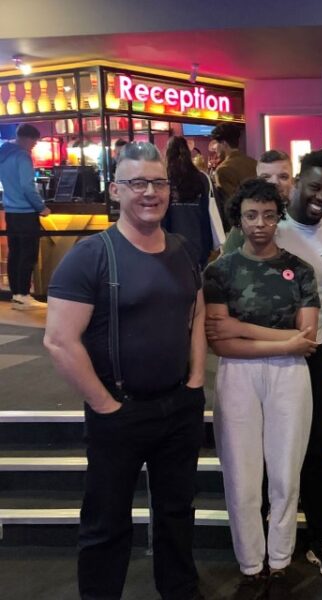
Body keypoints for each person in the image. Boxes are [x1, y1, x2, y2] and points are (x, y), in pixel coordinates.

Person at [43, 142, 206, 600]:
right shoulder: (90, 255)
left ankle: (180, 590)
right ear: (116, 190)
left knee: (177, 512)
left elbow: (195, 313)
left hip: (179, 407)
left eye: (158, 183)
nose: (149, 193)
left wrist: (196, 381)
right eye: (137, 183)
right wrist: (106, 405)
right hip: (119, 412)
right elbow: (59, 340)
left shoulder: (182, 249)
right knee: (106, 522)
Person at [208, 149, 322, 577]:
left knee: (313, 452)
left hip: (311, 356)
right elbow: (224, 308)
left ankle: (320, 537)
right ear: (295, 182)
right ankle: (263, 549)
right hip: (251, 362)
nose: (320, 196)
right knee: (257, 457)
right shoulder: (258, 224)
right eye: (312, 186)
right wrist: (276, 340)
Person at [204, 179, 320, 599]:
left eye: (269, 215)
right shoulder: (219, 271)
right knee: (242, 478)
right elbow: (219, 340)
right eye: (251, 215)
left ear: (279, 217)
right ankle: (252, 567)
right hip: (236, 373)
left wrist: (244, 328)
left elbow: (305, 339)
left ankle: (281, 563)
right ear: (239, 218)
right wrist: (280, 339)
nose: (260, 224)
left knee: (286, 476)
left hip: (290, 374)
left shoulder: (300, 270)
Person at [0, 123, 50, 309]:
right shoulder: (22, 156)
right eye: (34, 142)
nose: (34, 145)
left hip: (11, 212)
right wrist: (41, 207)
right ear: (26, 138)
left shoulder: (3, 153)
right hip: (26, 212)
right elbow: (28, 187)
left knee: (15, 253)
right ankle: (23, 294)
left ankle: (16, 294)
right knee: (28, 254)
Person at [163, 136, 224, 268]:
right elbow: (213, 211)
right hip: (198, 245)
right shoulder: (202, 178)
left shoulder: (163, 179)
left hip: (167, 246)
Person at [220, 150, 296, 255]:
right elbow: (224, 264)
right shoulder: (247, 220)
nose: (274, 182)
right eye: (266, 177)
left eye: (283, 177)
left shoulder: (303, 217)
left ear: (292, 181)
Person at [210, 123, 257, 228]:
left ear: (224, 144)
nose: (214, 148)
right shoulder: (254, 163)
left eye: (216, 144)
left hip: (241, 227)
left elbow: (231, 206)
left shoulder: (223, 170)